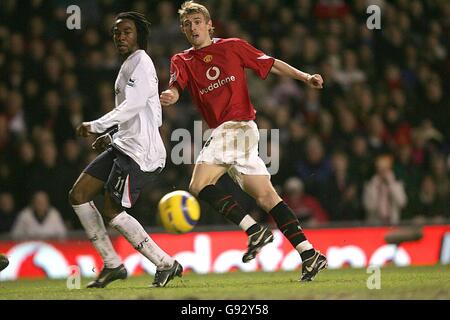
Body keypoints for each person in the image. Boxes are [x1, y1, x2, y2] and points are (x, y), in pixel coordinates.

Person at [160, 1, 327, 281]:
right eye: (187, 24)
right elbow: (176, 87)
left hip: (237, 126)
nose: (193, 27)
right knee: (267, 197)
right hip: (229, 133)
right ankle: (309, 253)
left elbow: (270, 64)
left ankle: (254, 230)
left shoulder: (232, 46)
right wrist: (171, 96)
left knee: (199, 184)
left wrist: (305, 76)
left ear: (210, 24)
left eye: (198, 21)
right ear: (182, 30)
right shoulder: (181, 60)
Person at [69, 12, 181, 288]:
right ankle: (112, 264)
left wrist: (97, 125)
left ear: (138, 35)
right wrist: (111, 135)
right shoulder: (128, 65)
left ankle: (165, 263)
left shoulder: (142, 62)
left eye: (126, 31)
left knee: (111, 209)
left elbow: (132, 106)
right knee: (78, 195)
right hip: (124, 145)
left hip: (140, 153)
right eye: (117, 33)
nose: (120, 37)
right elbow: (137, 114)